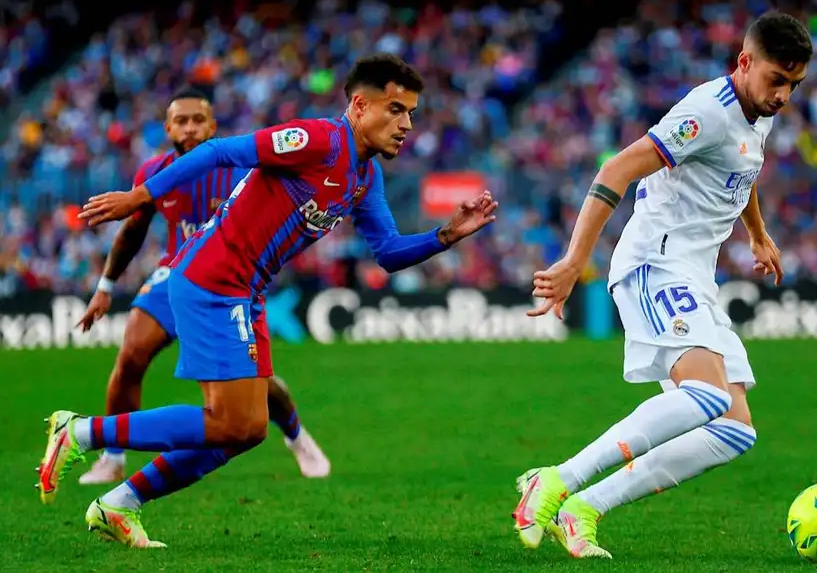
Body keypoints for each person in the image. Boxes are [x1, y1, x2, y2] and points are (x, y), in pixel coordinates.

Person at [38, 53, 498, 548]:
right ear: (360, 106)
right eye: (396, 110)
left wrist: (446, 235)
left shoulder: (365, 177)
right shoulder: (317, 140)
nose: (406, 124)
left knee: (246, 430)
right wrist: (139, 196)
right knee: (229, 420)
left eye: (411, 113)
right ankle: (81, 434)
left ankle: (119, 504)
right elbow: (218, 153)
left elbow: (387, 252)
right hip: (212, 278)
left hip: (246, 291)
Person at [511, 12, 813, 559]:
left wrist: (759, 234)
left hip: (696, 276)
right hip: (656, 263)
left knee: (734, 428)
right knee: (704, 397)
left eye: (794, 84)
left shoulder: (757, 112)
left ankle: (585, 509)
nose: (784, 96)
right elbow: (616, 170)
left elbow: (743, 172)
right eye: (776, 80)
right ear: (744, 62)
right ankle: (556, 480)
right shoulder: (707, 114)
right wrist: (574, 261)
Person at [75, 88, 330, 485]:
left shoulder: (239, 170)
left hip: (226, 285)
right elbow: (133, 233)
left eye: (199, 120)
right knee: (130, 356)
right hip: (173, 275)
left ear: (213, 126)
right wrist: (105, 286)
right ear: (168, 128)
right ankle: (112, 456)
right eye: (182, 121)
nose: (191, 128)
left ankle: (297, 435)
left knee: (257, 386)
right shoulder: (153, 173)